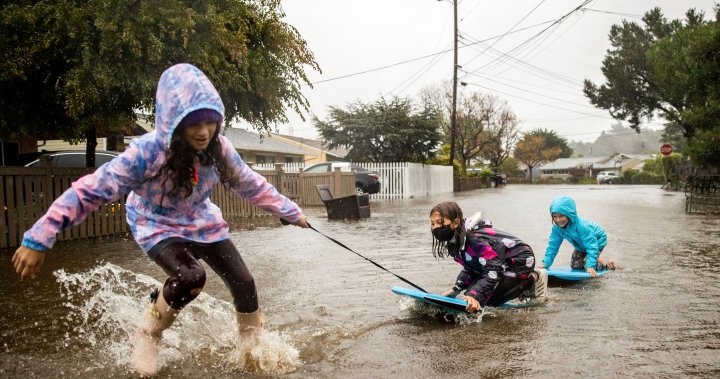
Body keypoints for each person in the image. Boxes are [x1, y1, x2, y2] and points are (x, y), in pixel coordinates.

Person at [11, 63, 309, 376]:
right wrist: (40, 236)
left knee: (245, 282)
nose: (204, 131)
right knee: (192, 276)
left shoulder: (218, 148)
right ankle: (149, 333)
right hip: (155, 223)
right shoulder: (147, 153)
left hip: (200, 219)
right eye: (193, 124)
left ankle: (251, 349)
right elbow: (90, 191)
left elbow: (250, 183)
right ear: (173, 122)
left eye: (210, 122)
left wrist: (290, 211)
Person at [429, 201, 547, 313]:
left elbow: (494, 269)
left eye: (440, 223)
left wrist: (475, 295)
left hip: (521, 260)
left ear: (455, 223)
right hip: (500, 263)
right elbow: (471, 269)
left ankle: (533, 278)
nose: (435, 228)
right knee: (473, 292)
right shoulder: (455, 243)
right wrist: (456, 289)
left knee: (487, 299)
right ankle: (518, 286)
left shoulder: (475, 239)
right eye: (433, 224)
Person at [541, 196, 615, 276]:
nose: (558, 220)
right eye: (555, 217)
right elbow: (552, 246)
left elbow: (592, 246)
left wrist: (590, 266)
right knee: (575, 266)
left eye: (561, 216)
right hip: (581, 245)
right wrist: (546, 264)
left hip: (597, 239)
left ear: (569, 215)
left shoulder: (582, 226)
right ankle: (594, 260)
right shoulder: (557, 229)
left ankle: (607, 265)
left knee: (588, 265)